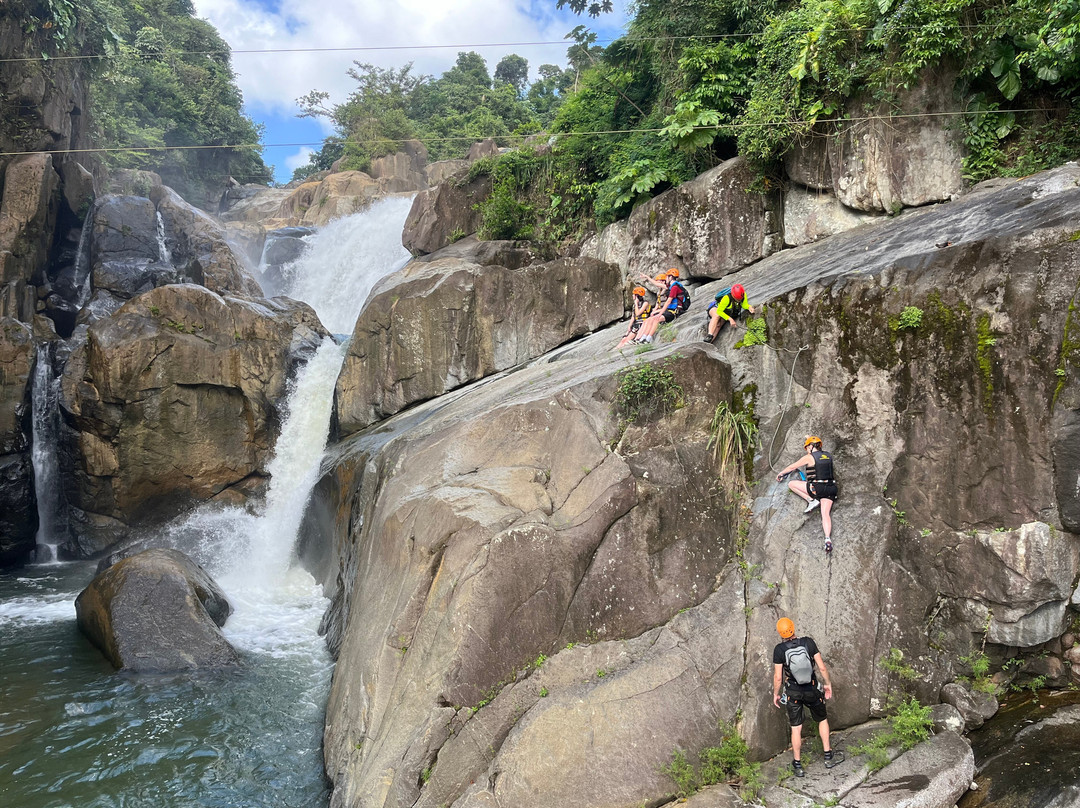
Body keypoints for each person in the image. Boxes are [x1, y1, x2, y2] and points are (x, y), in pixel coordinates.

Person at [772, 617, 843, 777]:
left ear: (780, 633)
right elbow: (822, 667)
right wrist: (827, 684)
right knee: (822, 719)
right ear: (793, 628)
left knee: (796, 728)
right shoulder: (808, 642)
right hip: (812, 689)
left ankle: (798, 765)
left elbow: (778, 678)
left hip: (793, 693)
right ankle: (828, 755)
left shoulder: (779, 650)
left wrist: (776, 694)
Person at [776, 436, 838, 552]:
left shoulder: (809, 457)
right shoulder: (828, 456)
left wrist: (781, 473)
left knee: (792, 484)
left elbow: (793, 466)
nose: (806, 449)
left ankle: (811, 500)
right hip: (831, 489)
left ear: (810, 446)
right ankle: (827, 539)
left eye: (807, 447)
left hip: (817, 489)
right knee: (825, 514)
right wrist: (809, 437)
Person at [634, 268, 691, 344]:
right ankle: (643, 338)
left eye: (667, 276)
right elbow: (657, 284)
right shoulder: (671, 286)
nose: (666, 278)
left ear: (670, 277)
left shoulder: (675, 288)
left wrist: (660, 313)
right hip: (669, 310)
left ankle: (648, 339)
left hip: (675, 311)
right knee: (651, 319)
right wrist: (647, 277)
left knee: (656, 319)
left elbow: (668, 302)